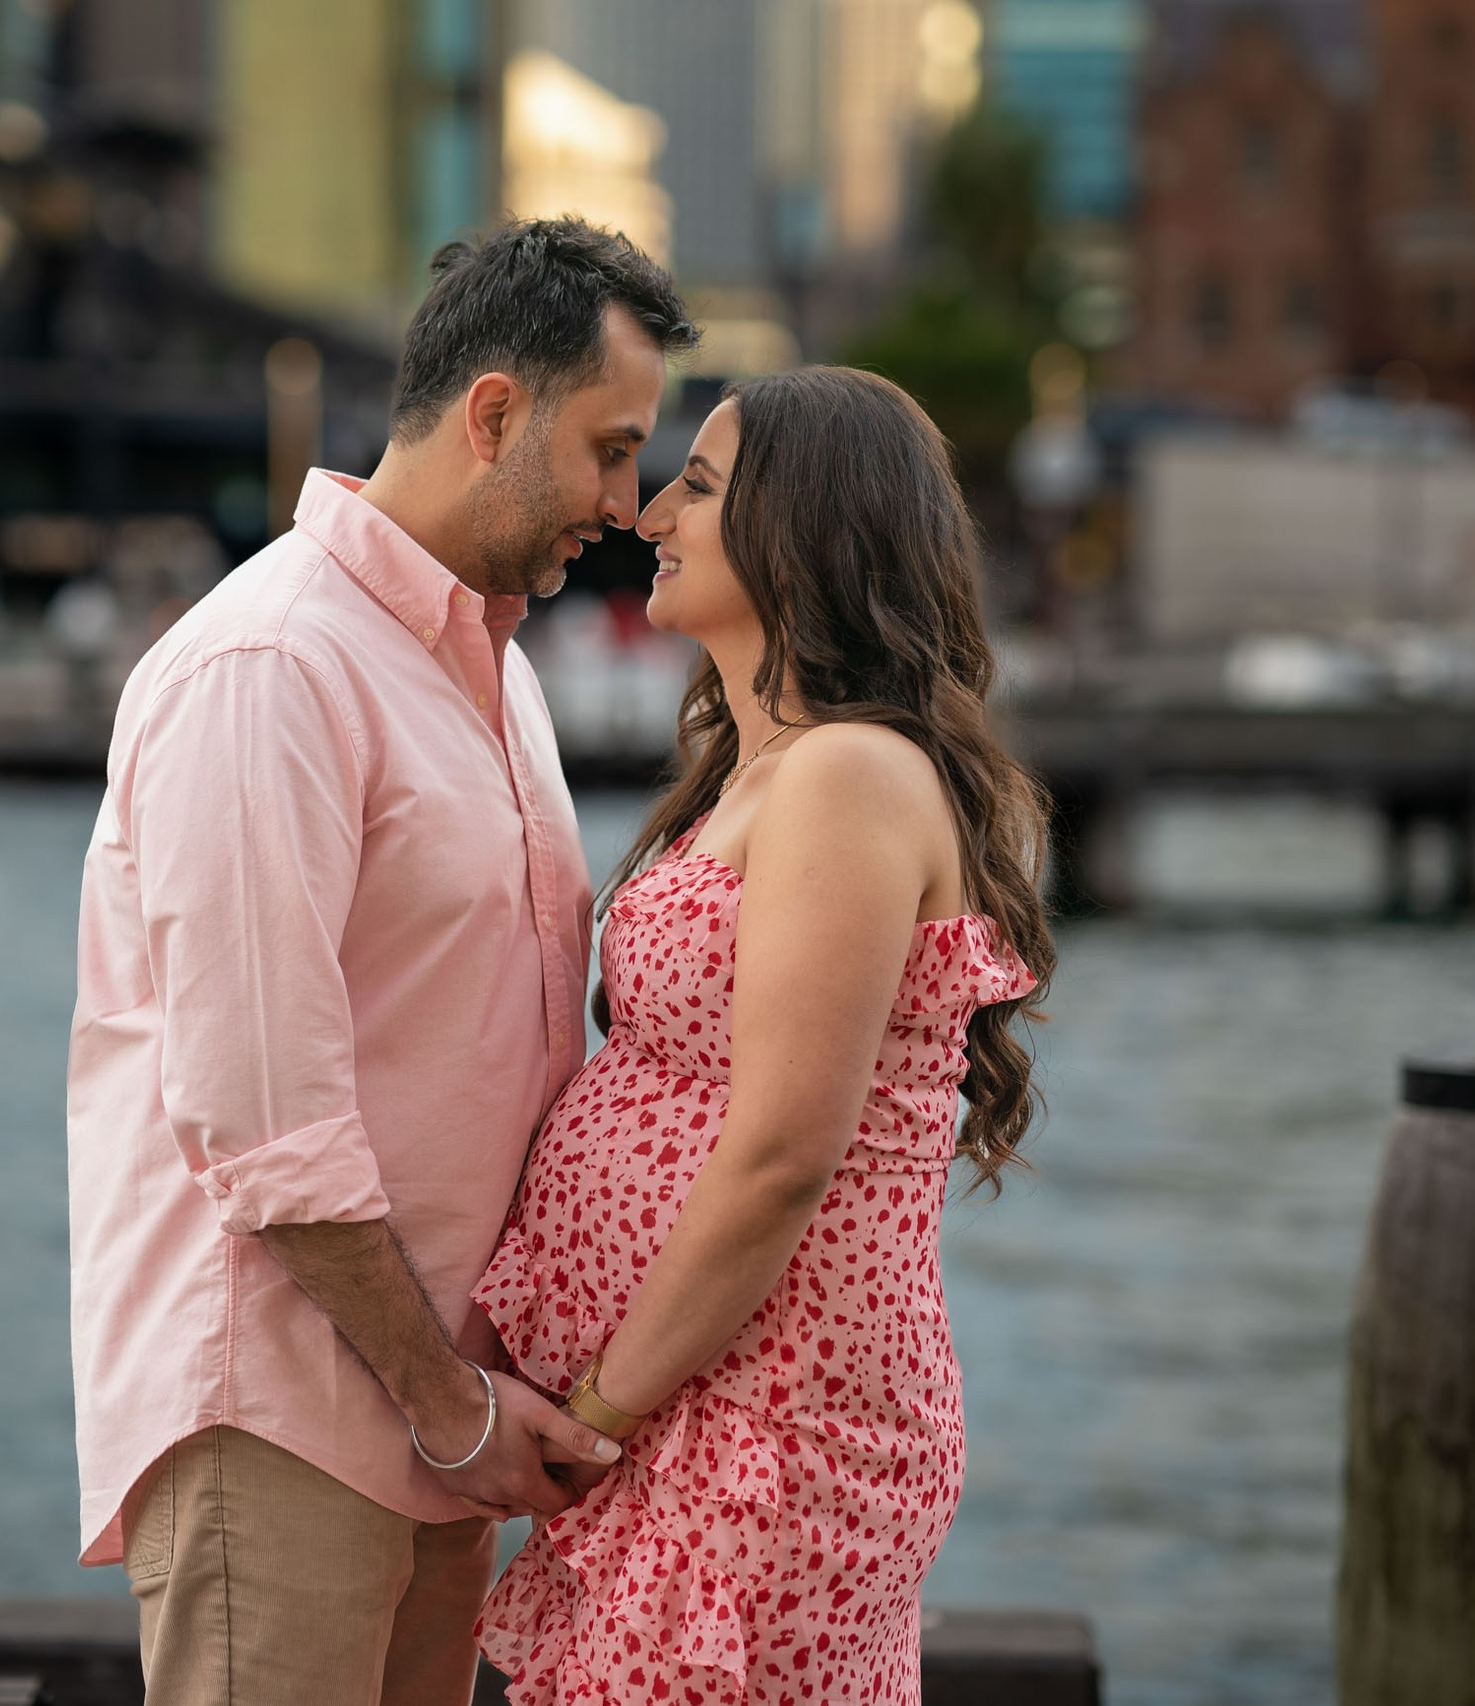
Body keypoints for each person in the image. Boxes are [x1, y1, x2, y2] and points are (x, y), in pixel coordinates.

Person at [64, 218, 696, 1706]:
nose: (626, 502)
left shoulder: (493, 669)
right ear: (492, 414)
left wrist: (479, 1403)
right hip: (292, 1406)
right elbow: (260, 1114)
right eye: (610, 450)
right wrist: (447, 1402)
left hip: (444, 1413)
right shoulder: (273, 666)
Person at [471, 366, 1059, 1704]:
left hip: (765, 1422)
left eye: (698, 483)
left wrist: (604, 1412)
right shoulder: (762, 765)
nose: (649, 511)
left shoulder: (850, 774)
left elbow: (787, 1147)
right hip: (699, 1403)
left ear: (805, 529)